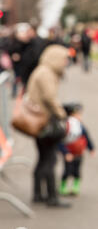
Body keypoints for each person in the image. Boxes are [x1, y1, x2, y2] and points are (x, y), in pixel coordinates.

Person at [26, 45, 71, 208]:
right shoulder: (46, 73)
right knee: (49, 159)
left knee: (43, 158)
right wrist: (62, 115)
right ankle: (52, 196)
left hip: (38, 122)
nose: (66, 62)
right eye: (65, 59)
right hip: (44, 123)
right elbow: (49, 98)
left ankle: (38, 193)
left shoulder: (43, 70)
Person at [59, 103, 95, 196]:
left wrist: (91, 148)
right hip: (69, 153)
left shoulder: (80, 126)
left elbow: (86, 137)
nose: (80, 117)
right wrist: (65, 152)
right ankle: (63, 186)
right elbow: (60, 141)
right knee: (67, 171)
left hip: (78, 153)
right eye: (77, 114)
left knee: (77, 171)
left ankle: (76, 186)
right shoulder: (66, 126)